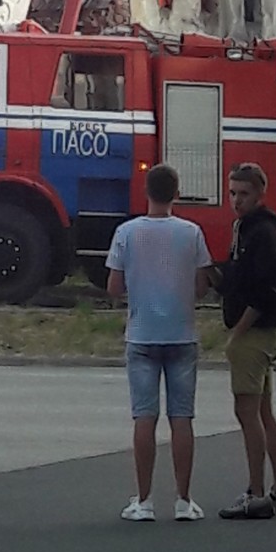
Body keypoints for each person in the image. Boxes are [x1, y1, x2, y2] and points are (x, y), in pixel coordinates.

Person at [107, 164, 213, 523]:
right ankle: (184, 500)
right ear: (177, 193)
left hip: (141, 334)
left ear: (146, 192)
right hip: (182, 334)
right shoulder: (192, 233)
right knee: (182, 417)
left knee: (144, 417)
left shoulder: (126, 233)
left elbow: (113, 287)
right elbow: (202, 286)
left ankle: (145, 500)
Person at [213, 162, 276, 520]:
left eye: (243, 193)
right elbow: (241, 279)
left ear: (260, 193)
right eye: (232, 193)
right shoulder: (249, 230)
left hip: (254, 334)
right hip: (267, 334)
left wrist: (238, 333)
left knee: (246, 413)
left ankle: (256, 493)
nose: (236, 200)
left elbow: (264, 291)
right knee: (264, 412)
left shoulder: (260, 235)